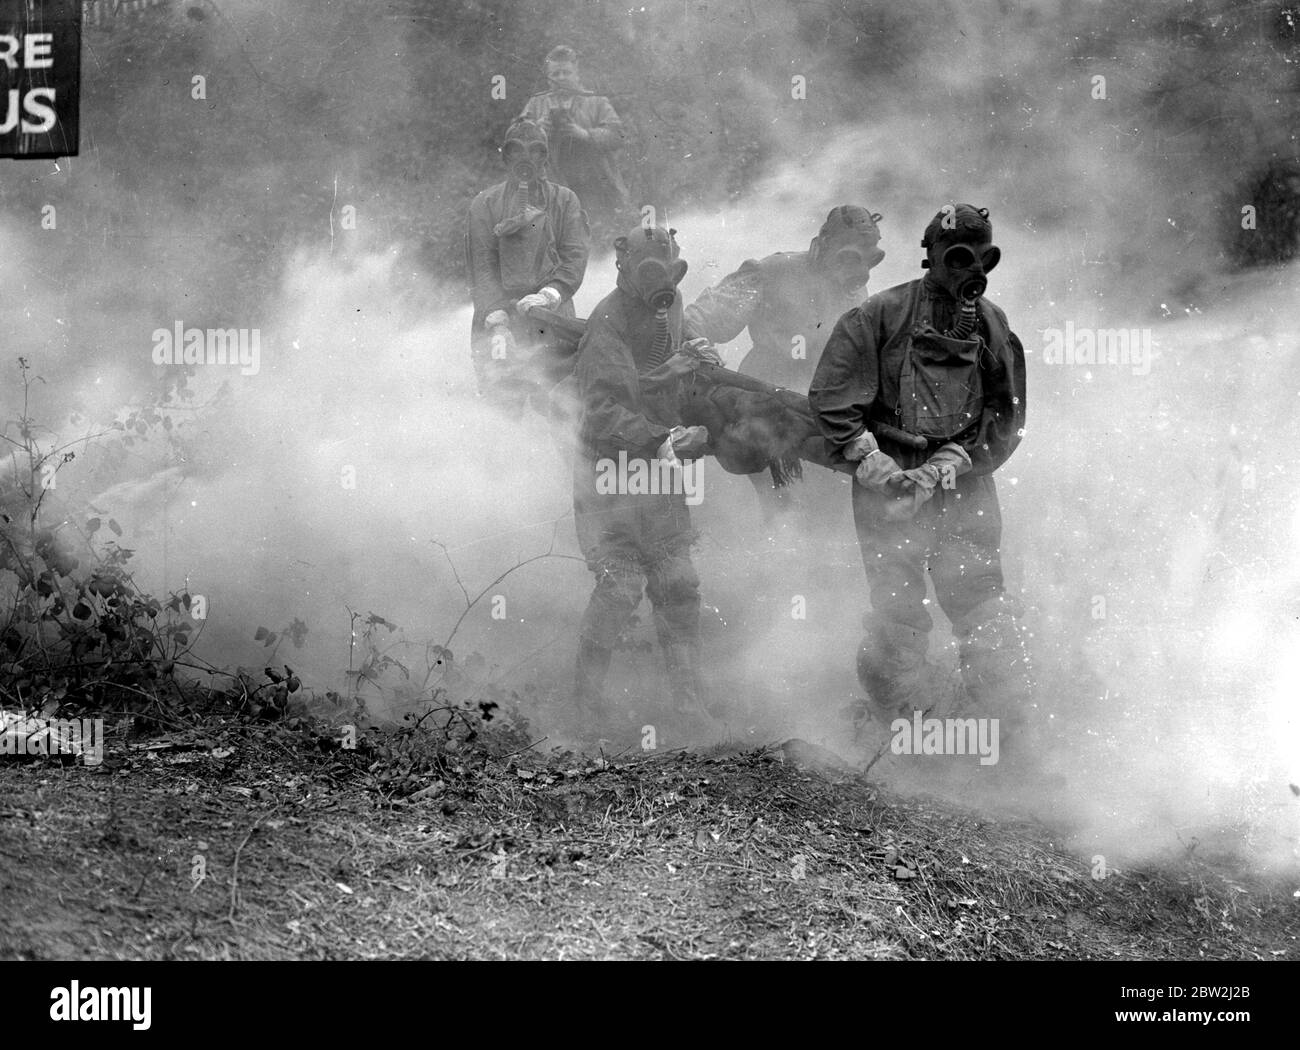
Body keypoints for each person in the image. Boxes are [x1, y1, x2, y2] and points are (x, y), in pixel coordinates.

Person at [808, 203, 1031, 732]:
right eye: (956, 258)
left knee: (983, 606)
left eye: (981, 259)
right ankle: (896, 732)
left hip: (964, 486)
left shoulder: (993, 324)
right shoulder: (878, 316)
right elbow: (832, 398)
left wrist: (960, 459)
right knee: (898, 615)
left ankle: (1002, 732)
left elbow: (1008, 414)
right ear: (930, 257)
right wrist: (873, 461)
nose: (968, 271)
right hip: (891, 484)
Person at [570, 224, 715, 740]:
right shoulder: (607, 320)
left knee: (679, 584)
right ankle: (585, 709)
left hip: (658, 468)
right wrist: (661, 437)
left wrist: (697, 362)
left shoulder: (669, 306)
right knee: (620, 586)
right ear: (623, 270)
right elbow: (602, 411)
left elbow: (660, 370)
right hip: (607, 472)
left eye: (669, 269)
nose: (661, 282)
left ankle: (688, 705)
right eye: (648, 270)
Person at [683, 205, 885, 521]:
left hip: (821, 412)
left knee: (828, 515)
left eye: (866, 259)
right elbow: (697, 321)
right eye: (848, 256)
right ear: (824, 245)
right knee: (781, 512)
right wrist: (705, 360)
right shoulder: (770, 272)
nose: (858, 271)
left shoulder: (855, 290)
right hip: (764, 408)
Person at [465, 118, 589, 407]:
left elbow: (575, 257)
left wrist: (551, 294)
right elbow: (481, 267)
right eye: (517, 150)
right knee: (503, 403)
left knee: (560, 402)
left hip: (552, 316)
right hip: (500, 318)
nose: (526, 158)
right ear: (506, 156)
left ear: (545, 157)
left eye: (535, 151)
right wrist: (496, 317)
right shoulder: (484, 205)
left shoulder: (564, 201)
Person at [520, 45, 631, 235]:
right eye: (556, 73)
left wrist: (586, 134)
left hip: (595, 186)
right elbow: (514, 140)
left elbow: (618, 135)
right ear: (548, 76)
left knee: (600, 239)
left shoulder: (596, 102)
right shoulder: (536, 104)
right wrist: (536, 129)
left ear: (576, 73)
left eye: (566, 72)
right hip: (551, 189)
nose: (561, 77)